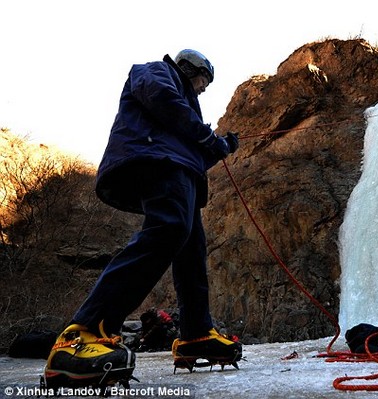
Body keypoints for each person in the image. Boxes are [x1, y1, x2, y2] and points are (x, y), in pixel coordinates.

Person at [43, 49, 242, 388]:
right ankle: (84, 332)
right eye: (203, 81)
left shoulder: (186, 107)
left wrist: (219, 148)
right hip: (156, 162)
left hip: (180, 171)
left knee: (191, 253)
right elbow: (162, 100)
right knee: (169, 228)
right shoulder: (155, 71)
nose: (203, 89)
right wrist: (206, 136)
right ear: (190, 68)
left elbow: (189, 146)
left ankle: (196, 334)